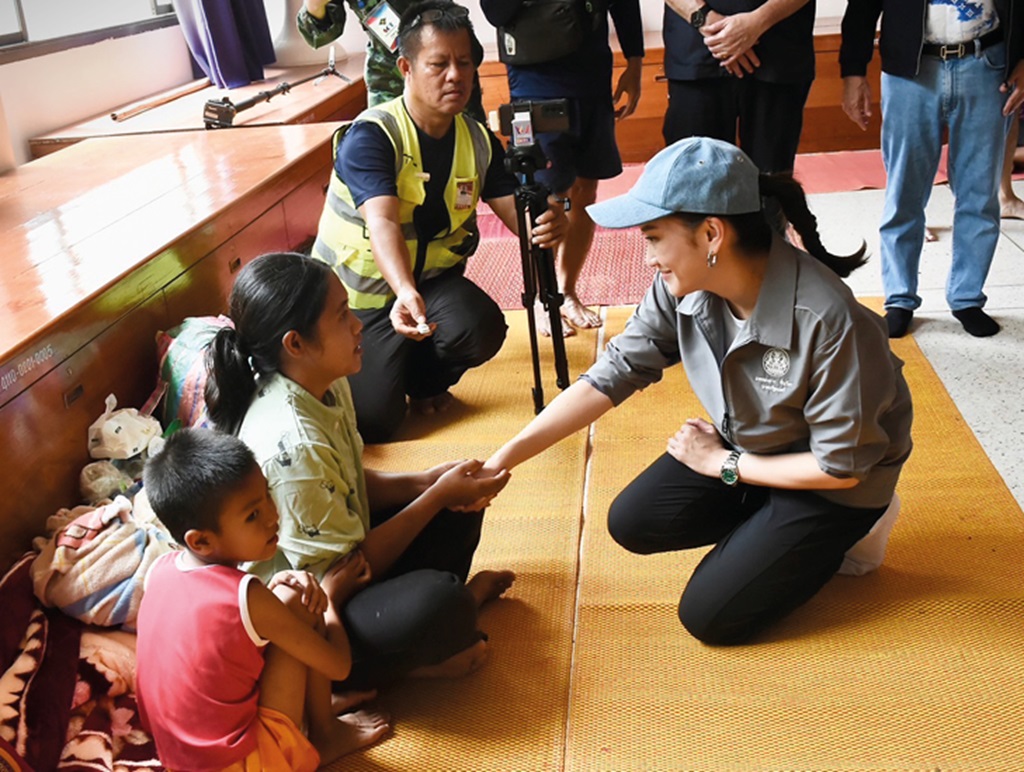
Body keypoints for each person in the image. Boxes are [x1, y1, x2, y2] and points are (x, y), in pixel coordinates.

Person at [480, 137, 914, 645]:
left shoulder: (829, 319)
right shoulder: (681, 287)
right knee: (633, 521)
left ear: (711, 233)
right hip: (753, 447)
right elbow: (613, 374)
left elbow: (839, 467)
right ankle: (772, 526)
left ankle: (850, 533)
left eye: (654, 238)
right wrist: (503, 459)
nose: (646, 259)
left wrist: (722, 465)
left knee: (710, 617)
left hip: (832, 482)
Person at [204, 251, 516, 693]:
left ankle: (445, 623)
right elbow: (346, 574)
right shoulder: (293, 443)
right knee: (439, 602)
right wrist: (434, 497)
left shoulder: (324, 381)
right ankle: (382, 669)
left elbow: (349, 481)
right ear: (296, 344)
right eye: (341, 315)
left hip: (347, 558)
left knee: (464, 498)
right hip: (315, 612)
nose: (358, 325)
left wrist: (428, 482)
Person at [310, 0, 568, 442]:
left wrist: (546, 224)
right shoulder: (373, 135)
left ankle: (423, 379)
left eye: (464, 63)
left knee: (481, 326)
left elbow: (516, 214)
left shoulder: (478, 140)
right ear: (406, 67)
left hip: (429, 289)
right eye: (439, 64)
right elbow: (385, 223)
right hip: (356, 302)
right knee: (376, 423)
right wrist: (404, 290)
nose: (455, 75)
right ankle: (386, 372)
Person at [136, 428, 391, 770]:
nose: (273, 516)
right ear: (199, 541)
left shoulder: (160, 570)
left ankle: (316, 713)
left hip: (180, 759)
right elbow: (339, 665)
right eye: (252, 515)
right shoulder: (250, 597)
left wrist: (272, 597)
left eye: (268, 495)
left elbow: (222, 632)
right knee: (300, 603)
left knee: (287, 603)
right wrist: (329, 597)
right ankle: (326, 733)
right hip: (244, 764)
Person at [841, 0, 1024, 338]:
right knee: (904, 192)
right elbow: (862, 8)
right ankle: (899, 298)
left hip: (987, 64)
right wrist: (853, 72)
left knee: (979, 192)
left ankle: (967, 298)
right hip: (910, 70)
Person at [480, 0, 645, 338]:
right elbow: (495, 12)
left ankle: (568, 291)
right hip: (535, 78)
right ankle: (545, 297)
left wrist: (635, 62)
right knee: (546, 199)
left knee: (586, 190)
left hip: (593, 76)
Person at [660, 0, 815, 176]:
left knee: (772, 183)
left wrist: (758, 22)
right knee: (693, 180)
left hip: (779, 47)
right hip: (695, 52)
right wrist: (708, 23)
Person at [297, 0, 487, 121]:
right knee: (390, 153)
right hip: (389, 77)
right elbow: (318, 32)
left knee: (468, 150)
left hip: (444, 67)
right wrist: (315, 4)